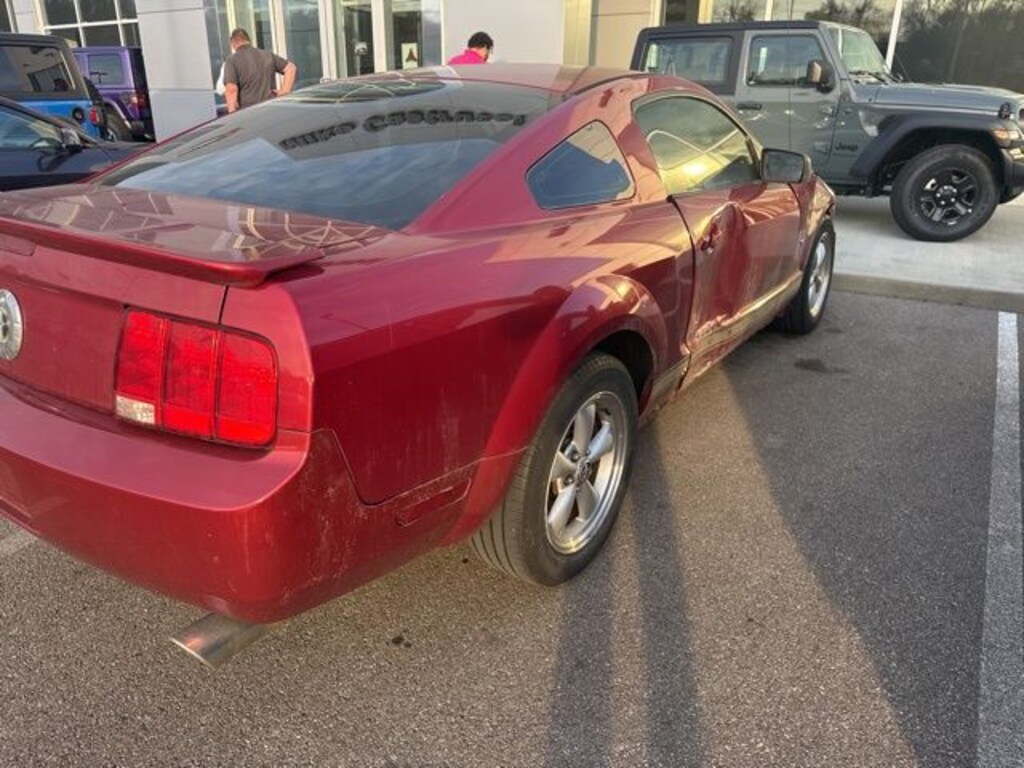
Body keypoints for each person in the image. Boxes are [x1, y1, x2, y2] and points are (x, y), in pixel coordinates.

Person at [223, 28, 296, 113]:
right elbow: (291, 68)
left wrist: (232, 114)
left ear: (233, 43)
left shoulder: (232, 60)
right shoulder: (267, 55)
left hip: (248, 111)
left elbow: (231, 89)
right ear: (249, 41)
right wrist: (284, 93)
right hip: (271, 107)